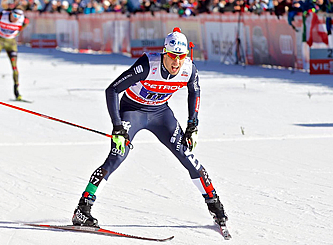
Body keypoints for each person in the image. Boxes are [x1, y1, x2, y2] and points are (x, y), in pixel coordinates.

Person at [71, 28, 229, 234]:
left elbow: (194, 91)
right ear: (164, 53)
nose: (176, 63)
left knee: (187, 157)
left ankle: (215, 207)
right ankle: (82, 209)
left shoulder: (189, 69)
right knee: (117, 156)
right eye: (172, 56)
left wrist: (193, 125)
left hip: (161, 114)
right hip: (132, 111)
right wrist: (118, 127)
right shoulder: (147, 65)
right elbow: (112, 90)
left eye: (181, 57)